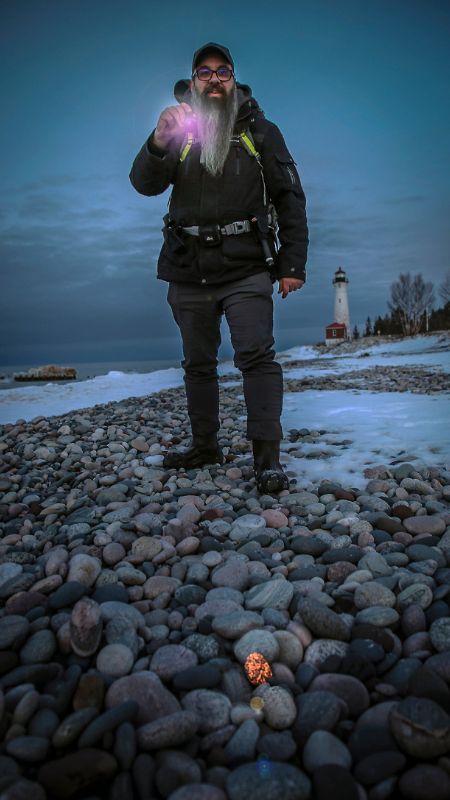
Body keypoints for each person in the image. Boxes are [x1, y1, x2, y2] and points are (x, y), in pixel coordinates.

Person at [129, 43, 309, 493]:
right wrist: (156, 142)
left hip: (246, 266)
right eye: (204, 72)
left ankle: (267, 460)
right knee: (198, 363)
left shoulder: (261, 131)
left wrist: (293, 264)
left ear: (234, 80)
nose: (213, 79)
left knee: (256, 357)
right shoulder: (178, 128)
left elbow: (290, 198)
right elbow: (144, 185)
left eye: (222, 71)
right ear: (193, 81)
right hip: (187, 267)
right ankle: (204, 446)